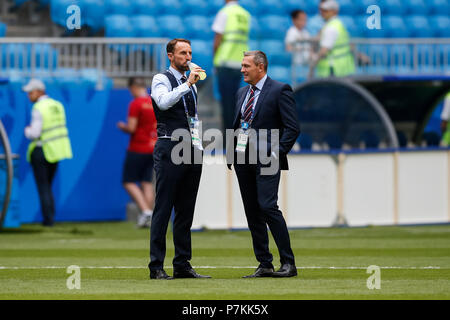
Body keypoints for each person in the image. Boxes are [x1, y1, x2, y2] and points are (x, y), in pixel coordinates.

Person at [227, 51, 300, 278]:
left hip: (268, 158)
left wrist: (277, 153)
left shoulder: (280, 90)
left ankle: (288, 263)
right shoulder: (241, 92)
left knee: (268, 206)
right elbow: (239, 125)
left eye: (246, 66)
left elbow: (292, 127)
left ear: (260, 67)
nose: (242, 70)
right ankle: (264, 263)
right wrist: (233, 153)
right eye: (242, 65)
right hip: (243, 159)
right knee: (252, 211)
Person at [148, 38, 210, 280]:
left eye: (190, 52)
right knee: (163, 208)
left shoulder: (191, 84)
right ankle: (156, 266)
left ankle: (182, 264)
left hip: (192, 146)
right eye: (182, 52)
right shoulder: (161, 79)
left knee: (186, 209)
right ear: (170, 56)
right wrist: (187, 83)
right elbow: (163, 103)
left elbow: (190, 116)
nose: (188, 56)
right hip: (170, 144)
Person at [23, 79, 73, 227]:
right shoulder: (57, 105)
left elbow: (35, 133)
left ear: (39, 91)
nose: (28, 96)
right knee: (48, 186)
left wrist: (27, 131)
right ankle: (50, 217)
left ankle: (48, 220)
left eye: (30, 92)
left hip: (41, 150)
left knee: (43, 186)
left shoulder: (39, 107)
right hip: (56, 150)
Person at [117, 77, 157, 228]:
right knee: (147, 182)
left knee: (128, 181)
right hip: (152, 147)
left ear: (133, 87)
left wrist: (122, 127)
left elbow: (132, 128)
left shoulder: (136, 104)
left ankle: (146, 211)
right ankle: (149, 215)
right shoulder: (153, 102)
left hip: (138, 147)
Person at [212, 0, 250, 132]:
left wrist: (214, 59)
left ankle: (228, 137)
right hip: (240, 62)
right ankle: (235, 134)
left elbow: (217, 40)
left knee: (227, 103)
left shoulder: (224, 12)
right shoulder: (245, 14)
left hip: (225, 61)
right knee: (235, 101)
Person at [312, 0, 355, 77]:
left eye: (326, 11)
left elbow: (324, 50)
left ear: (334, 11)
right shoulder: (337, 24)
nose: (322, 13)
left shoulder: (331, 27)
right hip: (342, 67)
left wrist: (313, 63)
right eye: (322, 10)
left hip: (332, 68)